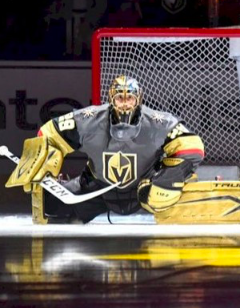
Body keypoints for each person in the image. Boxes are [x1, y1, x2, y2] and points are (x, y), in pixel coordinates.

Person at [27, 76, 204, 224]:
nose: (125, 104)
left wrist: (169, 178)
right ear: (111, 98)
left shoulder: (159, 123)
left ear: (138, 99)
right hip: (96, 190)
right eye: (120, 98)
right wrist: (39, 164)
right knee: (50, 207)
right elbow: (48, 133)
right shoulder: (89, 120)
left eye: (130, 98)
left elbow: (192, 145)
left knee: (188, 213)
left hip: (146, 190)